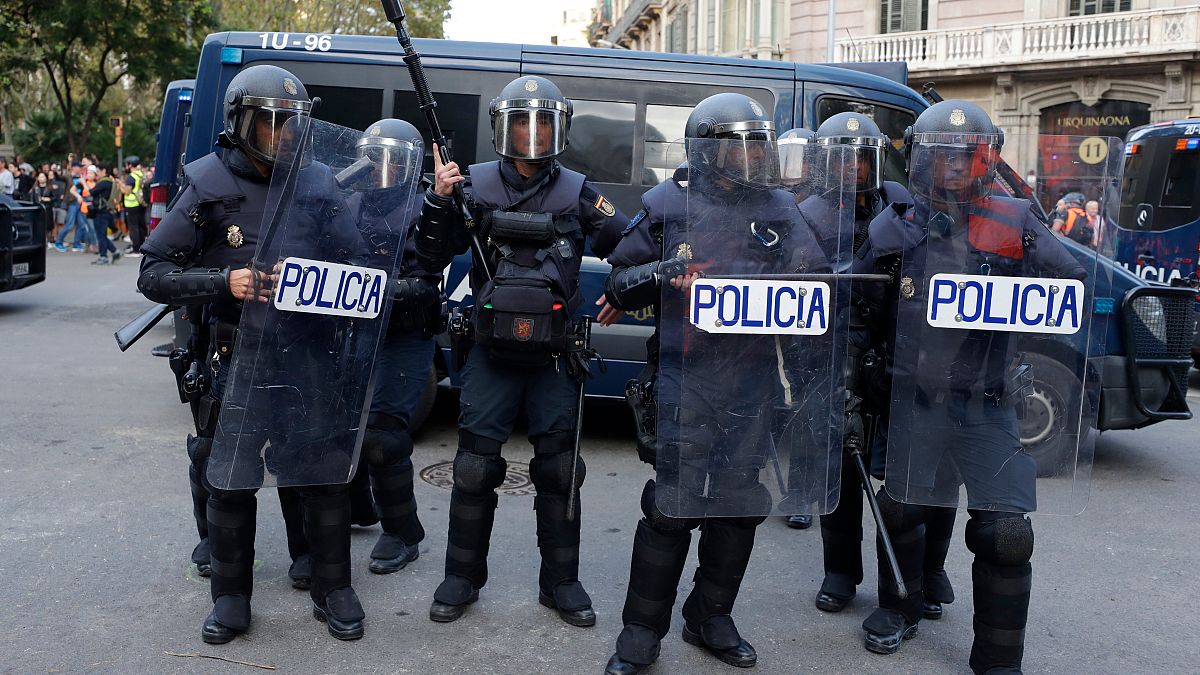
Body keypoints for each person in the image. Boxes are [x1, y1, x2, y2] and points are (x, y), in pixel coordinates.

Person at [601, 93, 833, 674]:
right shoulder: (665, 202)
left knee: (739, 503)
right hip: (686, 376)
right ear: (706, 149)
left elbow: (817, 285)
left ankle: (710, 614)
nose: (751, 154)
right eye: (738, 144)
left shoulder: (781, 208)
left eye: (758, 143)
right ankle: (641, 630)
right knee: (671, 508)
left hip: (752, 381)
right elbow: (620, 278)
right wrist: (665, 273)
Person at [853, 100, 1087, 671]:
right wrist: (849, 391)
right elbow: (855, 312)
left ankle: (999, 658)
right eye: (941, 155)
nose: (954, 166)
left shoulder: (1015, 220)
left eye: (965, 154)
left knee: (1007, 534)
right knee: (903, 509)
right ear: (920, 160)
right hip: (915, 398)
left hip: (988, 401)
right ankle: (899, 607)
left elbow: (1071, 285)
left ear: (985, 158)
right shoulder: (895, 226)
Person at [138, 64, 360, 644]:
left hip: (306, 353)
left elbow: (362, 261)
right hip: (236, 354)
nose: (283, 134)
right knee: (231, 479)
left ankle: (332, 586)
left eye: (292, 123)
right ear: (242, 124)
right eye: (270, 123)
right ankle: (232, 597)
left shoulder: (319, 183)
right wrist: (223, 282)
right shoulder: (209, 183)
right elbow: (154, 272)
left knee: (321, 475)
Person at [416, 75, 629, 626]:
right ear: (501, 129)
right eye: (520, 123)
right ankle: (462, 577)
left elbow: (630, 245)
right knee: (472, 468)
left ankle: (561, 583)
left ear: (560, 130)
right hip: (490, 353)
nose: (531, 136)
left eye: (542, 124)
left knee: (559, 472)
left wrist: (622, 291)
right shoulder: (470, 185)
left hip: (555, 356)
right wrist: (440, 201)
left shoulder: (580, 192)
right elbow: (430, 255)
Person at [343, 118, 439, 575]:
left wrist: (385, 288)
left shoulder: (425, 208)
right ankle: (358, 506)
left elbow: (428, 278)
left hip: (404, 331)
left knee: (383, 436)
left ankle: (403, 532)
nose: (381, 167)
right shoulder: (347, 200)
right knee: (341, 425)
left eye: (391, 159)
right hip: (351, 329)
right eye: (374, 157)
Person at [88, 163, 122, 265]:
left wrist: (83, 183)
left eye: (98, 171)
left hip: (101, 212)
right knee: (102, 235)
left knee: (101, 235)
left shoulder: (103, 183)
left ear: (103, 171)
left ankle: (103, 256)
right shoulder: (110, 182)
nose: (97, 173)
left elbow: (92, 192)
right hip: (107, 211)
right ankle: (115, 251)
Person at [123, 156, 148, 256]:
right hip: (140, 203)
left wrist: (121, 185)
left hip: (131, 204)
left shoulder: (131, 176)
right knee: (141, 226)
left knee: (133, 227)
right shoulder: (141, 174)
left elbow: (127, 191)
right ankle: (142, 248)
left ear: (129, 165)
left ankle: (135, 249)